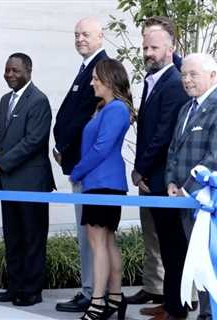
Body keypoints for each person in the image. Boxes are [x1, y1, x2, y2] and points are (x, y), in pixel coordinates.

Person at [128, 18, 189, 307]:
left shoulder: (174, 82)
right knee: (160, 241)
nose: (148, 52)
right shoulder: (153, 79)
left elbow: (163, 134)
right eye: (145, 47)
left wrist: (141, 168)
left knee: (172, 244)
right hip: (151, 177)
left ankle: (175, 305)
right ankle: (164, 298)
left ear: (170, 48)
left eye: (154, 47)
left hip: (164, 178)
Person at [0, 53, 54, 307]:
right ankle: (14, 287)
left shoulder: (39, 100)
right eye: (7, 70)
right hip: (9, 183)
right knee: (12, 237)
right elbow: (1, 137)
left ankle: (32, 290)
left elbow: (33, 142)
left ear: (29, 70)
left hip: (31, 183)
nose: (10, 75)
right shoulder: (5, 100)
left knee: (32, 238)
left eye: (15, 70)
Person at [70, 58, 134, 320]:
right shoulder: (107, 107)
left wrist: (77, 171)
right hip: (102, 182)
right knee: (106, 242)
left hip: (102, 183)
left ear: (109, 79)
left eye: (96, 77)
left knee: (98, 244)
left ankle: (97, 303)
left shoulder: (116, 109)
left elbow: (101, 148)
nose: (92, 81)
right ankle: (115, 299)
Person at [53, 16, 108, 312]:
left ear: (101, 35)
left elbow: (88, 118)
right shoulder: (86, 67)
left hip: (87, 168)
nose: (80, 39)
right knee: (87, 233)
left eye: (86, 34)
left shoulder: (101, 69)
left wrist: (66, 148)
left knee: (92, 235)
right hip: (77, 164)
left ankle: (92, 292)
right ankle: (90, 289)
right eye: (76, 34)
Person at [166, 53, 217, 320]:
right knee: (197, 263)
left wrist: (187, 187)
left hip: (207, 202)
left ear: (213, 76)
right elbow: (173, 151)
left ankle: (210, 314)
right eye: (184, 74)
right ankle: (206, 313)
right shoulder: (186, 108)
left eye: (193, 74)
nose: (186, 80)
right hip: (185, 200)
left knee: (210, 261)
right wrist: (172, 182)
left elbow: (214, 156)